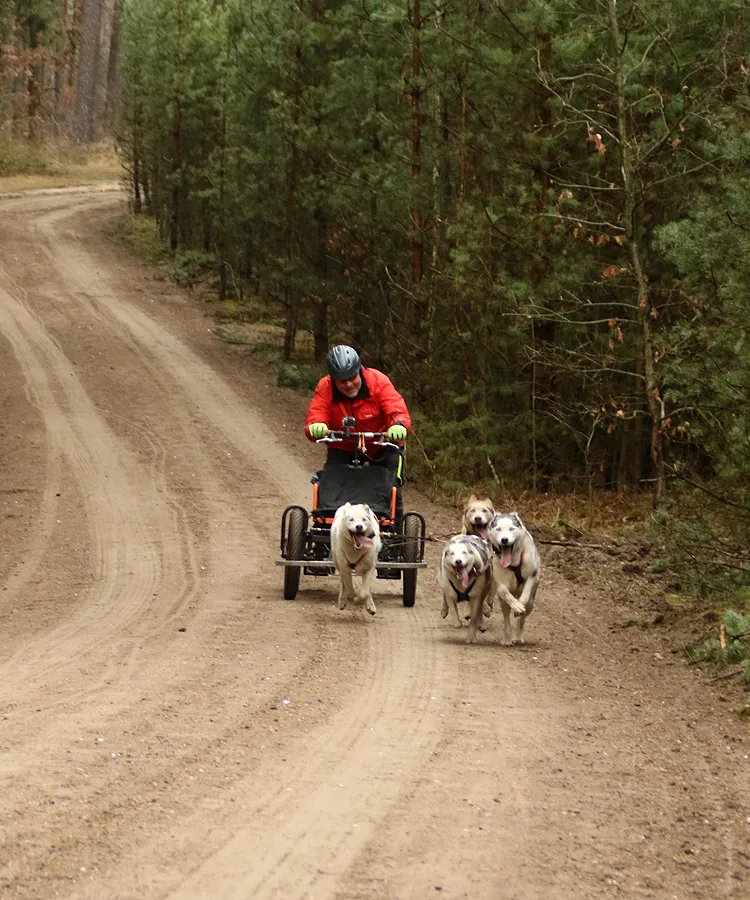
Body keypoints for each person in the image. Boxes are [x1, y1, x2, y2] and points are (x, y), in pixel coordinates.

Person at [305, 344, 411, 487]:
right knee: (331, 486)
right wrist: (317, 424)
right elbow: (318, 410)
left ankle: (393, 509)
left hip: (381, 444)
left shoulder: (378, 381)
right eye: (342, 380)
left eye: (352, 377)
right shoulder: (325, 386)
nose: (348, 384)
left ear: (359, 371)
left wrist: (399, 424)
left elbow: (395, 407)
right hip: (344, 445)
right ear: (333, 379)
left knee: (390, 488)